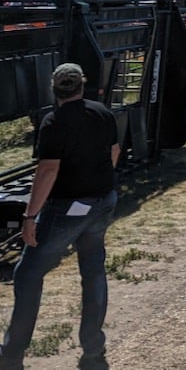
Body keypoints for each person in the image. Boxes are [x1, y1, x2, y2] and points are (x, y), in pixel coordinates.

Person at [0, 63, 119, 370]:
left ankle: (11, 357)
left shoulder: (54, 122)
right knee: (93, 271)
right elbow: (114, 152)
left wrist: (30, 216)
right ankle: (94, 351)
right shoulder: (102, 112)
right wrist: (100, 178)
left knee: (27, 274)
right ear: (83, 85)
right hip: (103, 200)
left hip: (67, 206)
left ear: (53, 88)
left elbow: (48, 171)